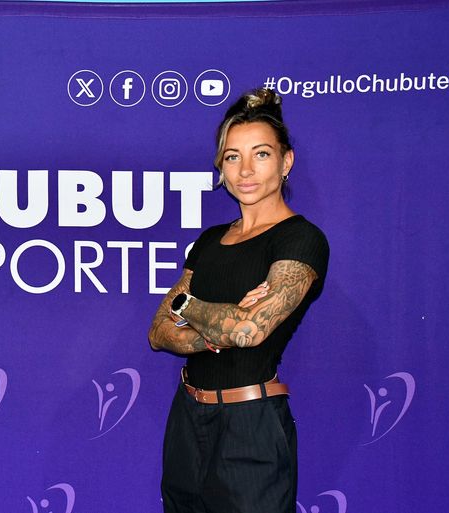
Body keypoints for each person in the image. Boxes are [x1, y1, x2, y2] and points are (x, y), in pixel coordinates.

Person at [148, 88, 329, 513]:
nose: (245, 170)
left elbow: (249, 330)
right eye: (232, 157)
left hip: (250, 425)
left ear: (286, 161)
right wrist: (216, 331)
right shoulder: (210, 240)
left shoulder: (300, 239)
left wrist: (186, 307)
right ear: (221, 167)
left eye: (261, 154)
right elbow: (157, 332)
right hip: (187, 419)